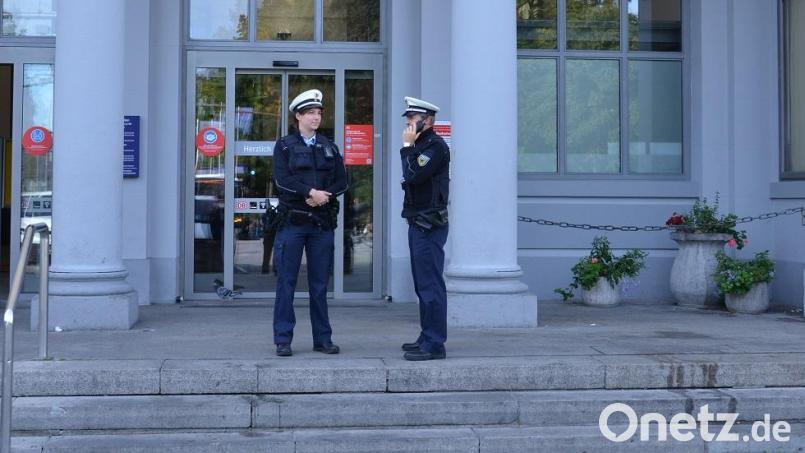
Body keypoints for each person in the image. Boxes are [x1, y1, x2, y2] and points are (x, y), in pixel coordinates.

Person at [271, 89, 347, 357]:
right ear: (298, 116)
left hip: (321, 225)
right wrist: (310, 193)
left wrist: (324, 195)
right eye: (311, 113)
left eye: (318, 113)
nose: (316, 117)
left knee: (319, 286)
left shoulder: (329, 146)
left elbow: (342, 180)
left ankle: (323, 339)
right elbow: (282, 180)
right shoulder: (283, 146)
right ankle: (283, 339)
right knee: (287, 283)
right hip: (293, 224)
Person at [399, 96, 450, 361]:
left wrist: (407, 147)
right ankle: (426, 335)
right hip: (418, 223)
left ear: (427, 121)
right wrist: (410, 147)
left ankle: (435, 343)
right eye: (408, 119)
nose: (408, 123)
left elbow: (412, 175)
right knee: (422, 285)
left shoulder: (434, 146)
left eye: (412, 119)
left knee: (430, 285)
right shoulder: (421, 144)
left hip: (429, 225)